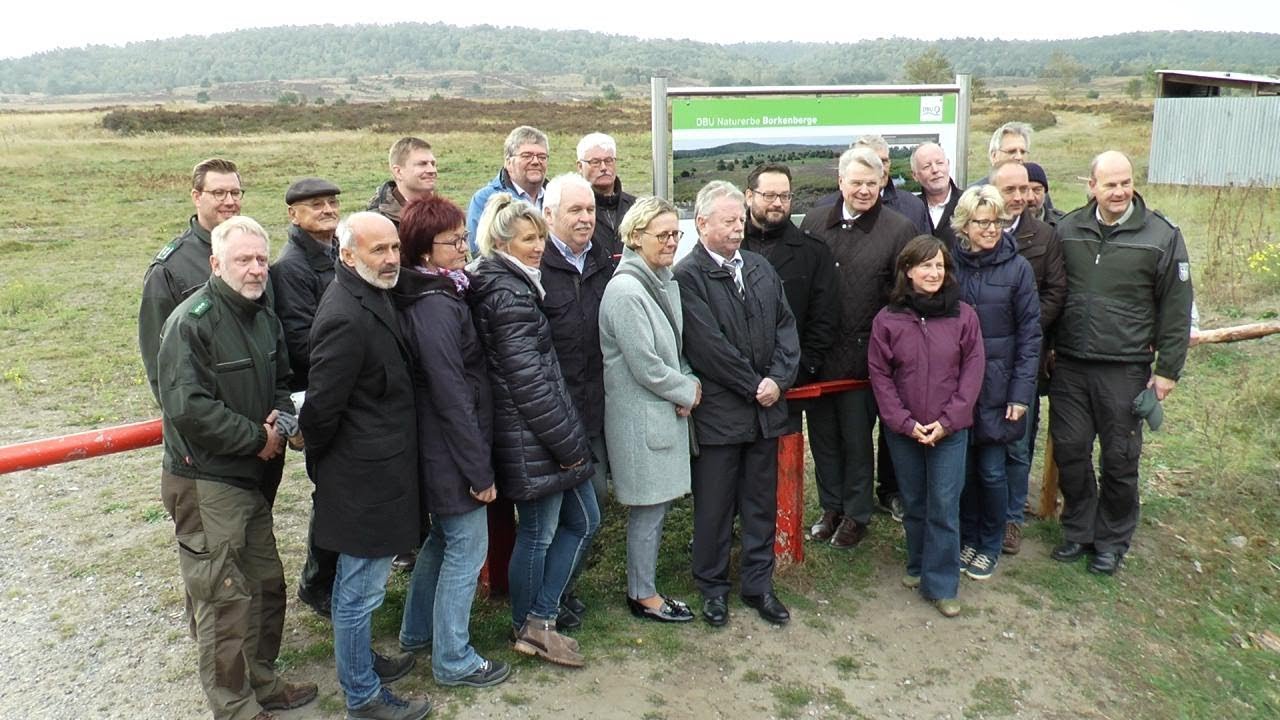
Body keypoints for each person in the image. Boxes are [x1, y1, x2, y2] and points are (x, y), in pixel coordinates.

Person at [156, 215, 318, 719]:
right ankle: (234, 707)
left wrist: (284, 422)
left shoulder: (261, 315)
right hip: (206, 481)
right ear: (215, 264)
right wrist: (258, 438)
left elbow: (280, 379)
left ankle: (263, 682)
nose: (254, 270)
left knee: (266, 585)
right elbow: (189, 408)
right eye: (242, 260)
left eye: (260, 260)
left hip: (249, 479)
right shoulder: (192, 322)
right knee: (223, 600)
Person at [299, 212, 429, 720]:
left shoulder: (372, 292)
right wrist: (332, 473)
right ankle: (363, 697)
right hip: (361, 479)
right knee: (357, 592)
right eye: (379, 250)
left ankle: (363, 665)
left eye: (395, 247)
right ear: (347, 254)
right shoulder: (343, 316)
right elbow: (321, 412)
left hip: (381, 472)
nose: (392, 258)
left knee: (364, 588)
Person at [468, 193, 600, 667]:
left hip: (538, 435)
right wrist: (570, 448)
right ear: (502, 241)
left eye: (541, 236)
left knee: (579, 522)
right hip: (535, 438)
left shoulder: (511, 283)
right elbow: (530, 386)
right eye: (528, 238)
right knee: (543, 533)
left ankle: (539, 616)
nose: (538, 246)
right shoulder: (508, 294)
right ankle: (532, 624)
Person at [1049, 151, 1193, 575]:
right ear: (1091, 186)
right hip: (1071, 364)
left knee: (1119, 458)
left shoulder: (1161, 235)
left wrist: (1168, 369)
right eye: (1109, 183)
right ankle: (1079, 529)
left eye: (1125, 182)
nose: (1119, 191)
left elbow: (1176, 307)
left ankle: (1111, 539)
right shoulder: (1067, 229)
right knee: (1071, 451)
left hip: (1126, 367)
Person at [391, 196, 511, 689]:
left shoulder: (438, 292)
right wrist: (478, 472)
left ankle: (417, 632)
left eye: (465, 236)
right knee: (466, 547)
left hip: (441, 448)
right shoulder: (436, 305)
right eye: (453, 241)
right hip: (450, 452)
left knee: (442, 542)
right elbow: (451, 394)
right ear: (423, 252)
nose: (464, 247)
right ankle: (453, 658)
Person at [675, 181, 799, 627]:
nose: (737, 229)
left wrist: (778, 381)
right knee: (715, 506)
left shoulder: (761, 268)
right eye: (728, 221)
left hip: (765, 413)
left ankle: (758, 584)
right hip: (721, 416)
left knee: (760, 503)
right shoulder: (687, 276)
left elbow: (787, 329)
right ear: (702, 223)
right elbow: (708, 346)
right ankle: (711, 587)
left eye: (739, 220)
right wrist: (754, 384)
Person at [799, 147, 915, 549]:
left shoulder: (899, 230)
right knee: (824, 437)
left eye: (872, 182)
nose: (865, 190)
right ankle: (830, 507)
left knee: (856, 437)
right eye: (857, 182)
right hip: (818, 354)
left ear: (883, 182)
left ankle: (857, 513)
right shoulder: (814, 221)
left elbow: (904, 296)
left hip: (866, 357)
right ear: (840, 183)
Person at [868, 234, 984, 618]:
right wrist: (903, 422)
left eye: (940, 265)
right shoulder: (888, 320)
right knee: (915, 502)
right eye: (926, 265)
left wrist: (948, 422)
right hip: (905, 431)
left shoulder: (964, 316)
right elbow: (880, 376)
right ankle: (918, 565)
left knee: (944, 505)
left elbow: (972, 373)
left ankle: (942, 584)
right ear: (908, 270)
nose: (934, 272)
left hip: (949, 431)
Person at [599, 196, 701, 624]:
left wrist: (686, 381)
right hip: (641, 420)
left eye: (676, 233)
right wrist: (688, 391)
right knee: (647, 510)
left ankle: (644, 587)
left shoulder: (659, 280)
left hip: (658, 414)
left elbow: (673, 351)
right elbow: (646, 365)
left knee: (655, 508)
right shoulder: (626, 291)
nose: (672, 242)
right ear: (635, 237)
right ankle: (642, 594)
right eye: (662, 235)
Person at [949, 186, 1042, 582]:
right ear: (964, 226)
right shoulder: (950, 265)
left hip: (998, 388)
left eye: (997, 222)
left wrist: (1020, 394)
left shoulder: (1017, 269)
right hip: (957, 390)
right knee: (964, 472)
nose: (991, 230)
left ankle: (989, 543)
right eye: (981, 222)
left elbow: (1030, 335)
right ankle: (966, 537)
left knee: (991, 471)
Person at [539, 172, 616, 629]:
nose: (586, 218)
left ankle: (560, 590)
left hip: (597, 405)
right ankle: (549, 598)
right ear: (549, 215)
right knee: (563, 517)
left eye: (589, 210)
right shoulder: (537, 264)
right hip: (553, 412)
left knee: (595, 503)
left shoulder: (603, 259)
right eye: (575, 210)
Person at [270, 177, 343, 618]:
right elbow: (302, 342)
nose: (328, 210)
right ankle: (318, 583)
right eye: (315, 205)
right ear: (293, 214)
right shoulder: (292, 268)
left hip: (341, 389)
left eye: (332, 203)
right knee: (332, 493)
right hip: (322, 394)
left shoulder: (335, 252)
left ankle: (334, 576)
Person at [989, 162, 1066, 555]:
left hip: (1024, 357)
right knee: (981, 442)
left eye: (1025, 189)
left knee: (1017, 444)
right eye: (1010, 190)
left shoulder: (1045, 236)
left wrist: (1024, 323)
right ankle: (981, 513)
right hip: (982, 359)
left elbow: (1055, 291)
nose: (1019, 197)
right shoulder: (976, 230)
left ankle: (1010, 519)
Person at [141, 157, 245, 404]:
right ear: (197, 197)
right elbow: (159, 359)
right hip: (208, 409)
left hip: (253, 402)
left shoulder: (250, 251)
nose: (229, 202)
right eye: (218, 193)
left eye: (235, 192)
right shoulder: (169, 270)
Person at [466, 126, 550, 249]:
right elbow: (480, 251)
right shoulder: (485, 200)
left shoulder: (558, 198)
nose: (536, 162)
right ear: (508, 162)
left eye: (542, 157)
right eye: (527, 156)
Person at [576, 132, 636, 256]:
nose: (603, 167)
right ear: (580, 166)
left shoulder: (635, 208)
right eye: (595, 162)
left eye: (609, 161)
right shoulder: (571, 209)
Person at [368, 137, 438, 227]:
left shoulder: (446, 213)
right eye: (422, 164)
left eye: (433, 164)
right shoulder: (377, 223)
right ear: (398, 172)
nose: (432, 170)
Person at [911, 142, 961, 247]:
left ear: (948, 165)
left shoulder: (968, 203)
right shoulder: (910, 209)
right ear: (915, 175)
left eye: (939, 163)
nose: (935, 170)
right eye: (926, 166)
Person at [1024, 162, 1065, 227]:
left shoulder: (1063, 224)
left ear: (1045, 193)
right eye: (1024, 190)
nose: (1030, 198)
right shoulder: (1005, 226)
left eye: (1037, 190)